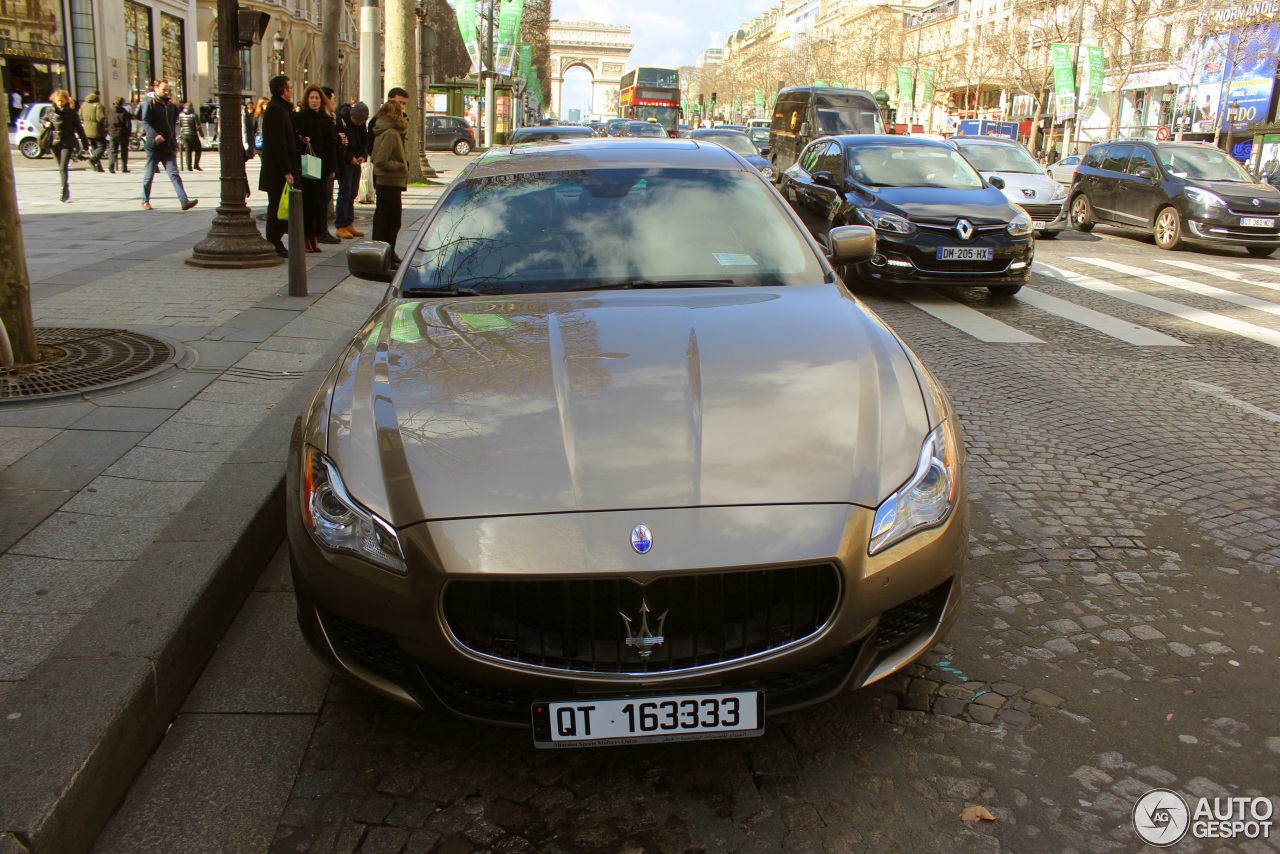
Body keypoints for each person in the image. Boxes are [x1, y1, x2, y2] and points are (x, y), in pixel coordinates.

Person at [138, 80, 198, 211]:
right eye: (163, 89)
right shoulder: (150, 102)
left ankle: (184, 201)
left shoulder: (170, 105)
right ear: (155, 88)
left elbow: (171, 125)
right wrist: (154, 135)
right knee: (149, 174)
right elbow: (145, 122)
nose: (166, 92)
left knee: (174, 174)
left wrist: (173, 143)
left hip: (168, 146)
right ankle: (145, 200)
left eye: (167, 90)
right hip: (154, 145)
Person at [293, 84, 337, 253]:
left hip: (321, 165)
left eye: (317, 98)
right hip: (305, 165)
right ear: (307, 100)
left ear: (321, 100)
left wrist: (332, 167)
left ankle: (315, 236)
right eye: (311, 98)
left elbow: (330, 145)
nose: (314, 101)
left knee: (319, 203)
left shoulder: (326, 120)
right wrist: (302, 140)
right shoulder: (300, 117)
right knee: (307, 203)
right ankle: (306, 238)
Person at [259, 75, 299, 258]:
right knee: (276, 207)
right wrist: (286, 171)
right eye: (290, 88)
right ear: (284, 90)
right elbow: (278, 142)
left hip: (281, 169)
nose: (291, 91)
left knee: (279, 206)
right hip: (277, 171)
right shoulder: (275, 109)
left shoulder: (282, 109)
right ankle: (274, 240)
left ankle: (277, 239)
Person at [370, 98, 408, 266]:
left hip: (388, 182)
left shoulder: (383, 130)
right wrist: (401, 166)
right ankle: (386, 255)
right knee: (391, 222)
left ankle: (386, 254)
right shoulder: (391, 133)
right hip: (389, 182)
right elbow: (379, 160)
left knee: (384, 220)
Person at [335, 101, 369, 238]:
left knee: (353, 193)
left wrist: (363, 155)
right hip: (345, 162)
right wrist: (349, 157)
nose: (359, 123)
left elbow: (364, 140)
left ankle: (349, 222)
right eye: (357, 121)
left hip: (356, 161)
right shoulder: (342, 121)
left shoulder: (360, 125)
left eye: (362, 122)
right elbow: (342, 143)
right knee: (345, 192)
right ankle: (341, 224)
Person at [46, 90, 88, 202]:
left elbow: (80, 129)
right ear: (54, 100)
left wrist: (85, 145)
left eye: (62, 101)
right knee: (60, 167)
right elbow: (43, 119)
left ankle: (63, 189)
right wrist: (45, 123)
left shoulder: (71, 113)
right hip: (54, 143)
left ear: (66, 100)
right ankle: (66, 186)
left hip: (67, 143)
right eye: (57, 100)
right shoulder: (49, 111)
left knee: (63, 167)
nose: (59, 103)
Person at [79, 91, 106, 172]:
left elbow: (80, 115)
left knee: (94, 147)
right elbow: (100, 118)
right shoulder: (98, 105)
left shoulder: (83, 105)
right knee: (102, 146)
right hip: (97, 129)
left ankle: (98, 167)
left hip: (86, 129)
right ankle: (92, 159)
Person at [105, 96, 133, 173]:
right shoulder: (124, 112)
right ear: (122, 103)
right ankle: (124, 168)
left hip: (112, 133)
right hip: (122, 133)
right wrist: (128, 133)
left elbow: (106, 121)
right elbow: (128, 124)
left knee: (113, 150)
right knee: (124, 151)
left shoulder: (110, 111)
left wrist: (107, 130)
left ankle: (111, 165)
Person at [177, 101, 204, 170]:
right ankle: (196, 164)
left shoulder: (181, 115)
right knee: (198, 149)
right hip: (193, 134)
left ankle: (189, 167)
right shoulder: (194, 115)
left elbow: (180, 125)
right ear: (192, 107)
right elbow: (198, 126)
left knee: (188, 150)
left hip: (184, 134)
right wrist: (202, 135)